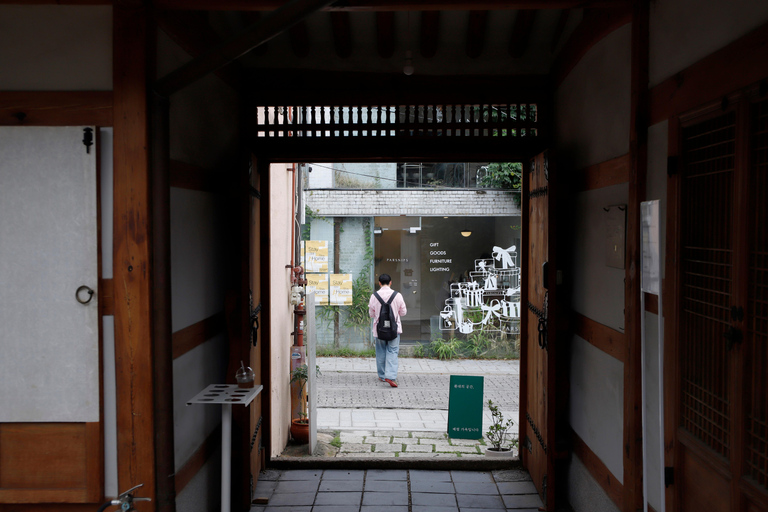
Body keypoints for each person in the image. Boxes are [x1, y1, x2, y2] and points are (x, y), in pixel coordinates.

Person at [368, 273, 407, 388]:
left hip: (379, 330)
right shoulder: (397, 295)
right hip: (394, 330)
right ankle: (391, 376)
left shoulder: (374, 296)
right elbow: (403, 312)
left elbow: (371, 314)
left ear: (379, 283)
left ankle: (382, 375)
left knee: (380, 351)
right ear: (390, 282)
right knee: (392, 351)